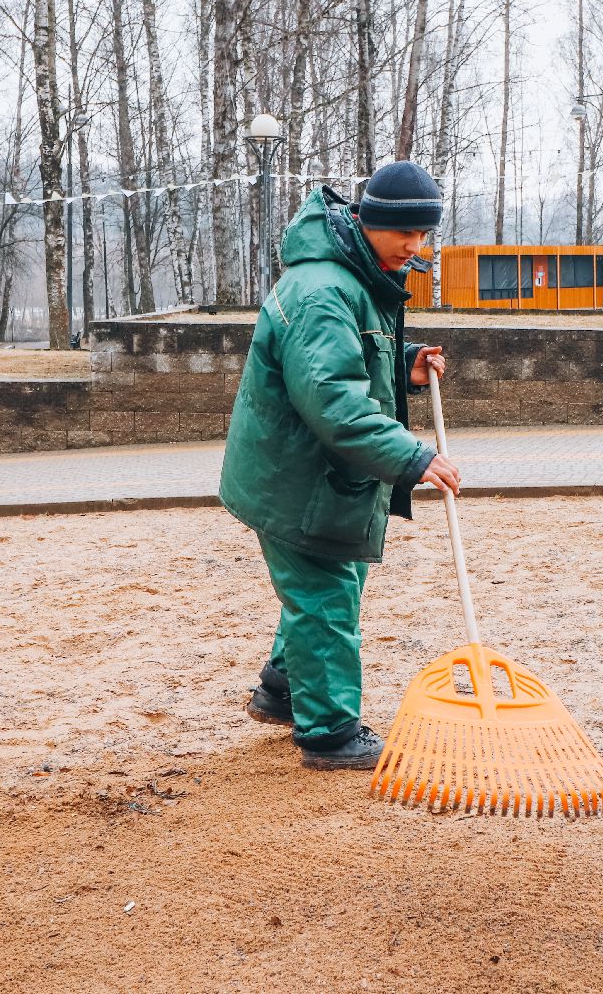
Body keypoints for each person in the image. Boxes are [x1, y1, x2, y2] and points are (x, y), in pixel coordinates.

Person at [218, 161, 460, 771]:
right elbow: (333, 401)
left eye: (425, 234)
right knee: (325, 593)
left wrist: (401, 361)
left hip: (305, 475)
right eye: (407, 233)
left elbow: (348, 356)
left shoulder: (350, 272)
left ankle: (283, 687)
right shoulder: (324, 289)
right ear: (371, 221)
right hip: (297, 479)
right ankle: (329, 733)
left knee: (327, 581)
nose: (417, 246)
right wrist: (414, 457)